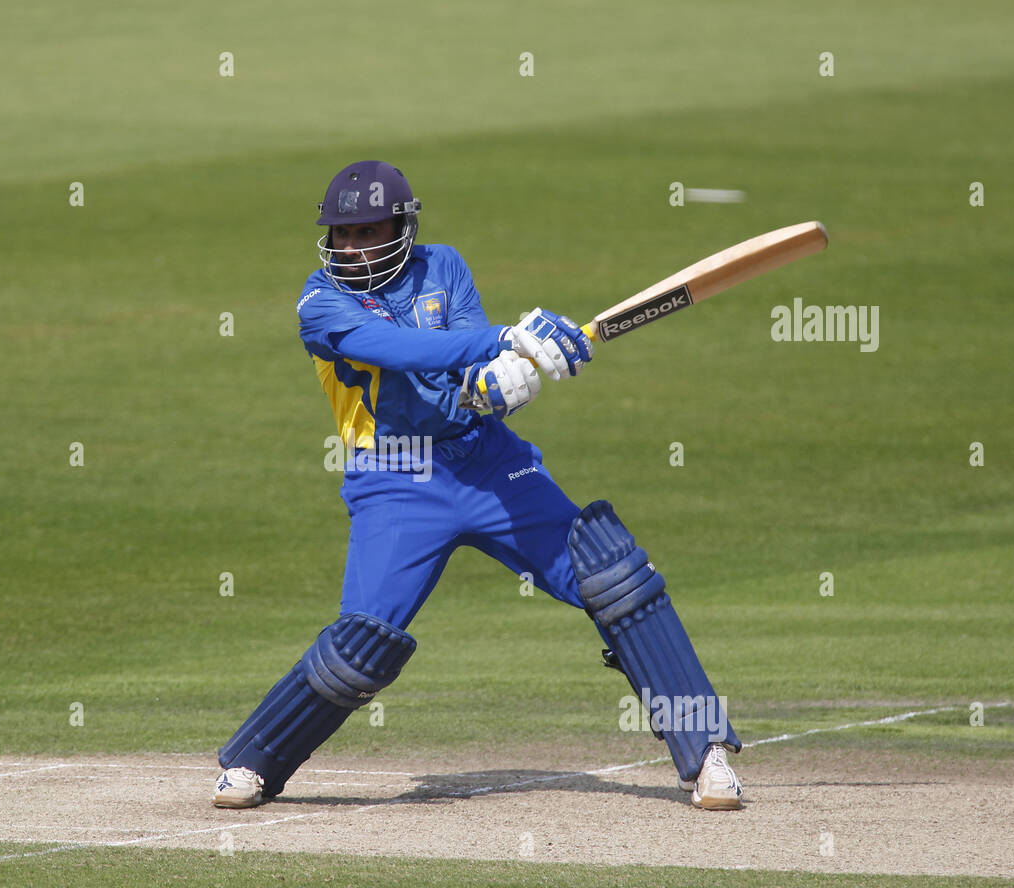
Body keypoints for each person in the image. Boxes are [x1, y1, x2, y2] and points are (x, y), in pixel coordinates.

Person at [213, 160, 743, 810]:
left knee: (615, 574)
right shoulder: (320, 303)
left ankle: (707, 751)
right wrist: (504, 339)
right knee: (361, 642)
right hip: (395, 476)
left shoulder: (446, 266)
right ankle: (254, 759)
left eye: (366, 231)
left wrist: (496, 384)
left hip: (490, 462)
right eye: (340, 235)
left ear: (402, 226)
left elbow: (471, 363)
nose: (350, 247)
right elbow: (397, 350)